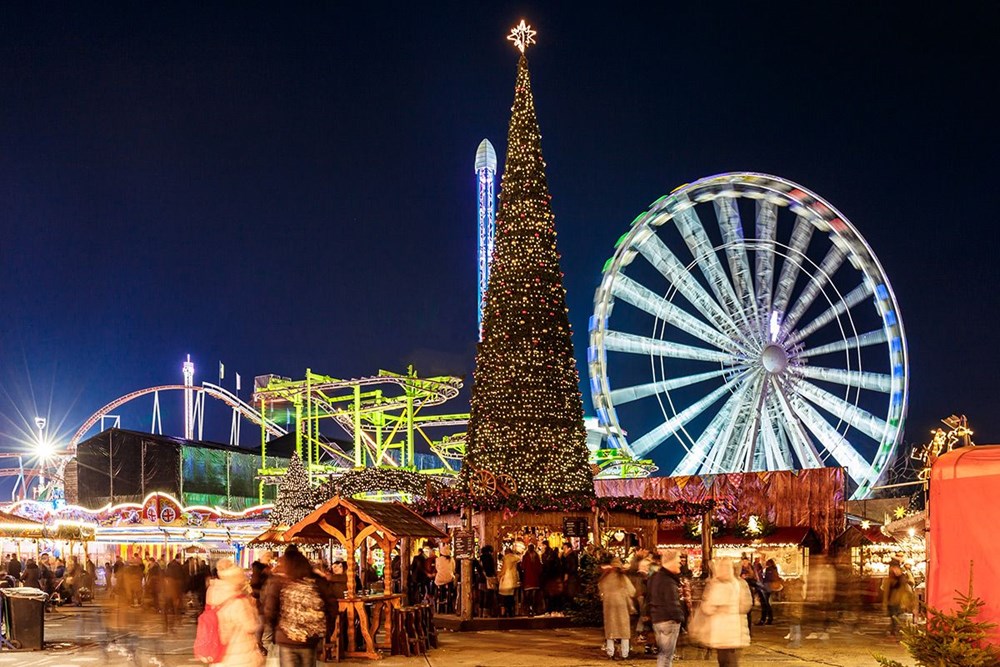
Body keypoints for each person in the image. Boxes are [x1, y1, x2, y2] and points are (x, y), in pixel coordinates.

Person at [263, 546, 338, 667]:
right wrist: (327, 630)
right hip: (309, 638)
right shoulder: (316, 581)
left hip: (286, 638)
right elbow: (332, 605)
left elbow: (270, 610)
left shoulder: (280, 582)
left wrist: (274, 631)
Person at [205, 558, 264, 667]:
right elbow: (250, 626)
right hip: (239, 654)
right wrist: (253, 608)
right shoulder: (239, 601)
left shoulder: (213, 592)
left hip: (219, 653)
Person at [701, 558, 752, 667]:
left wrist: (728, 608)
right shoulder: (714, 584)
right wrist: (714, 607)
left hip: (732, 632)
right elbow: (706, 606)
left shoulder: (738, 584)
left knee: (730, 661)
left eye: (727, 568)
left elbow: (745, 604)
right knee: (723, 660)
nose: (724, 570)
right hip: (719, 633)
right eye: (722, 567)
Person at [647, 549, 684, 667]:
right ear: (671, 561)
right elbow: (672, 602)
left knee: (663, 654)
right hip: (668, 620)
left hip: (657, 619)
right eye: (678, 560)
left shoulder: (656, 577)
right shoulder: (668, 580)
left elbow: (649, 597)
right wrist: (680, 618)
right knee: (667, 656)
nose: (680, 563)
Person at [599, 557, 636, 660]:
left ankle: (610, 652)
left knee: (610, 631)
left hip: (609, 607)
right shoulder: (623, 578)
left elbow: (600, 590)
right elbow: (632, 591)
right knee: (624, 632)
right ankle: (624, 653)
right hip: (622, 607)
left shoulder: (605, 578)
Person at [520, 544, 542, 616]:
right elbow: (539, 567)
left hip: (527, 578)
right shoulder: (537, 557)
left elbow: (522, 567)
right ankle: (534, 609)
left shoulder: (525, 557)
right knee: (534, 595)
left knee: (528, 595)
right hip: (535, 578)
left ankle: (529, 609)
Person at [498, 547, 520, 617]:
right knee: (511, 597)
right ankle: (511, 612)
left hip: (506, 581)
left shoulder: (506, 558)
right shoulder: (515, 558)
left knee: (504, 598)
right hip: (513, 580)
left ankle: (503, 613)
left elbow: (504, 570)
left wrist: (499, 575)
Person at [434, 545, 455, 613]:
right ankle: (450, 603)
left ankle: (440, 603)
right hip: (449, 579)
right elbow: (453, 569)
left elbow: (437, 569)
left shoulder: (438, 559)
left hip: (440, 579)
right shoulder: (451, 559)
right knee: (451, 584)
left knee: (438, 586)